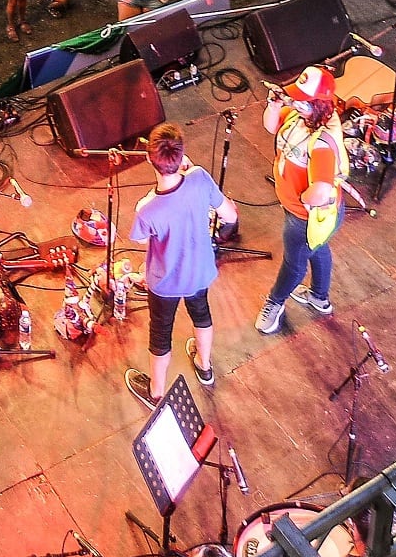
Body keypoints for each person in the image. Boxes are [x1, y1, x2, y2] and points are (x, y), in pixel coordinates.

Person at [126, 121, 235, 403]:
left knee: (160, 332)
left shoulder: (147, 208)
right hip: (199, 271)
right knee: (201, 313)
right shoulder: (199, 177)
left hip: (165, 282)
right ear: (181, 155)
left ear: (152, 160)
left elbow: (141, 240)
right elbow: (230, 216)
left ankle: (157, 392)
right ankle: (204, 365)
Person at [255, 66, 347, 336]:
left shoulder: (321, 142)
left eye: (301, 100)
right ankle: (320, 297)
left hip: (305, 218)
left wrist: (302, 198)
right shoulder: (301, 116)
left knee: (294, 264)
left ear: (318, 105)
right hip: (304, 214)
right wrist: (274, 106)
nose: (294, 102)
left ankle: (274, 303)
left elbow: (320, 191)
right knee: (318, 249)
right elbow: (272, 126)